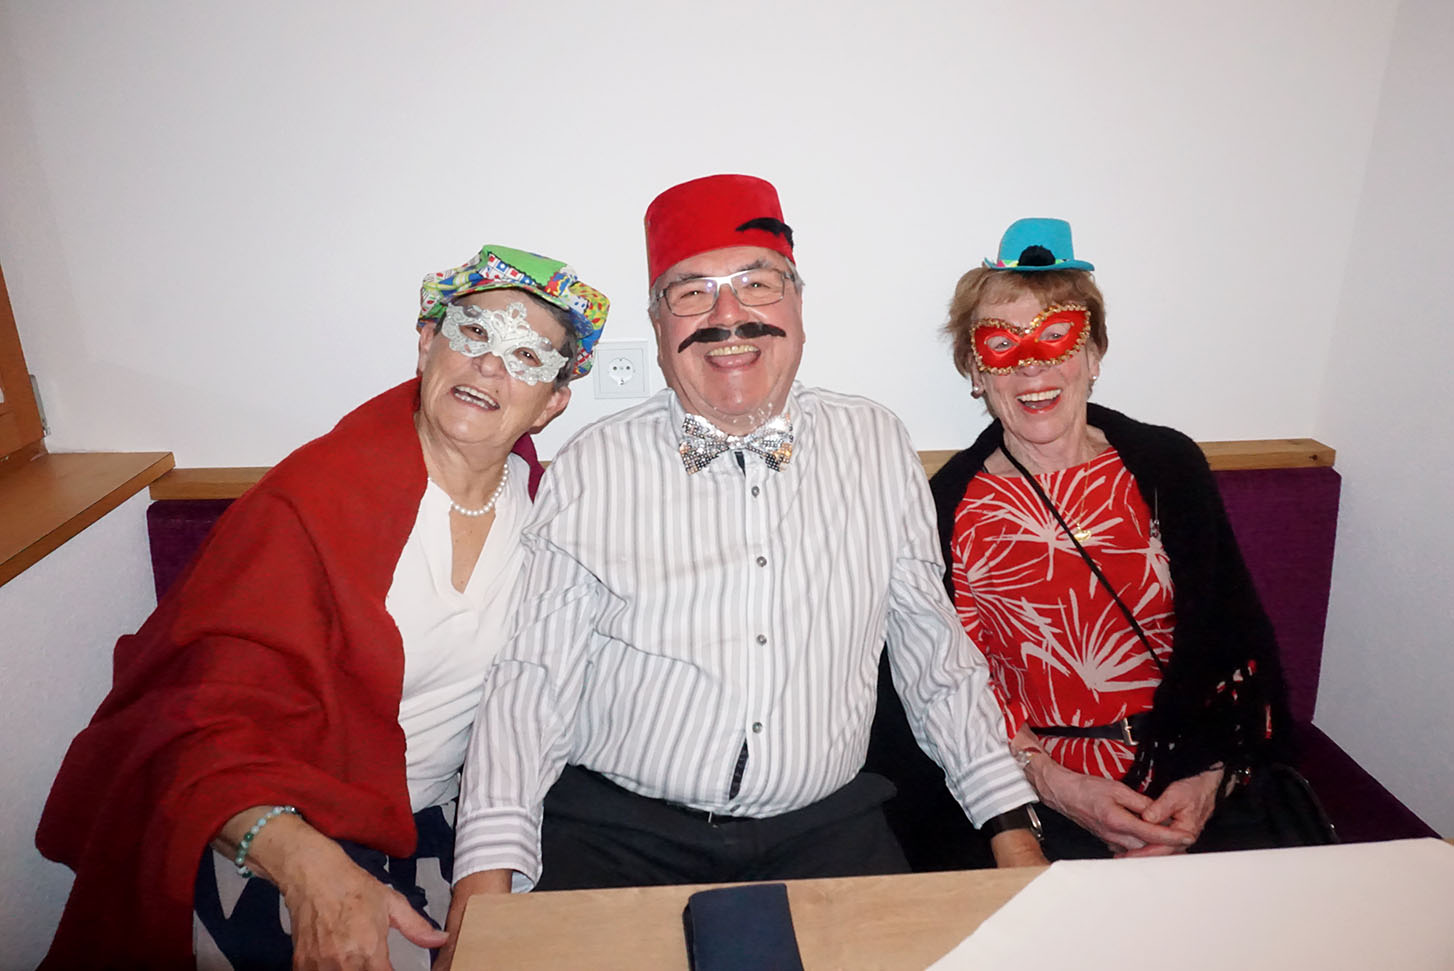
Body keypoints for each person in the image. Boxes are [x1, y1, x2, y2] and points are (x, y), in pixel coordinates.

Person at [440, 174, 1045, 954]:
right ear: (658, 324)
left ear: (798, 303)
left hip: (828, 830)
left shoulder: (876, 444)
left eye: (757, 283)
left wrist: (1013, 835)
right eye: (691, 293)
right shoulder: (594, 465)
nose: (728, 317)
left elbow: (937, 658)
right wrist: (483, 890)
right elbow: (532, 684)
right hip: (615, 833)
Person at [35, 244, 609, 969]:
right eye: (474, 332)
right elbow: (192, 714)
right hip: (274, 822)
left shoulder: (550, 516)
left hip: (443, 820)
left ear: (553, 402)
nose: (491, 364)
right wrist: (310, 868)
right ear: (427, 344)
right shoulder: (311, 499)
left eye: (528, 355)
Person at [921, 217, 1291, 860]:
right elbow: (953, 689)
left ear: (1093, 357)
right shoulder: (950, 510)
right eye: (1002, 344)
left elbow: (1235, 641)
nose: (1032, 365)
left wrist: (1207, 777)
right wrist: (1052, 784)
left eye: (1057, 336)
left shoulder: (1168, 468)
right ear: (976, 373)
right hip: (1045, 795)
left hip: (1197, 767)